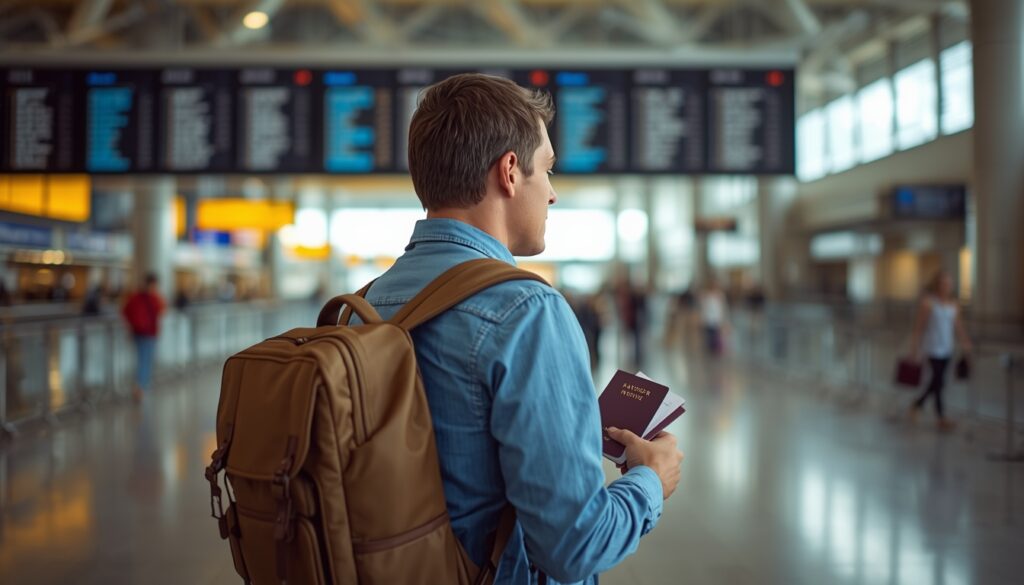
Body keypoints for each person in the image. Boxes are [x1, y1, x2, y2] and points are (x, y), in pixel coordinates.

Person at [358, 74, 683, 585]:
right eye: (548, 170)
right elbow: (576, 546)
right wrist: (651, 480)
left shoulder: (367, 303)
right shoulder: (526, 311)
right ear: (510, 171)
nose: (552, 194)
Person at [909, 270, 972, 431]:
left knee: (938, 381)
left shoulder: (954, 305)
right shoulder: (928, 303)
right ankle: (941, 417)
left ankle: (918, 404)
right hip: (932, 347)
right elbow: (919, 327)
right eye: (944, 283)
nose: (946, 287)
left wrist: (964, 341)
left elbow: (958, 326)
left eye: (949, 284)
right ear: (937, 285)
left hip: (947, 348)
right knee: (938, 380)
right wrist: (914, 346)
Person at [122, 273, 165, 401]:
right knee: (145, 360)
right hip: (148, 333)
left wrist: (131, 326)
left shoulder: (136, 296)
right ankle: (140, 387)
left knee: (142, 359)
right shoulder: (153, 297)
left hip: (138, 332)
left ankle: (140, 386)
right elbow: (162, 308)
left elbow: (125, 310)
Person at [698, 279, 728, 356]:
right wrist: (702, 317)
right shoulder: (705, 295)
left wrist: (723, 318)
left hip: (717, 317)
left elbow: (722, 307)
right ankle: (710, 348)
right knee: (709, 333)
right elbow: (703, 307)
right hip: (708, 317)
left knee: (716, 333)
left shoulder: (720, 295)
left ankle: (716, 348)